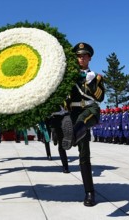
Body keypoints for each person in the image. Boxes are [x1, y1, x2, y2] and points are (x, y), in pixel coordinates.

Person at [56, 42, 105, 207]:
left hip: (90, 109)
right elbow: (64, 96)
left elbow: (100, 98)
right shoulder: (68, 77)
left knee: (82, 121)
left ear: (89, 58)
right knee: (84, 156)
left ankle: (71, 136)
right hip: (74, 113)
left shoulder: (96, 77)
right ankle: (89, 192)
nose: (81, 58)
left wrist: (91, 84)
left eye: (84, 56)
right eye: (78, 56)